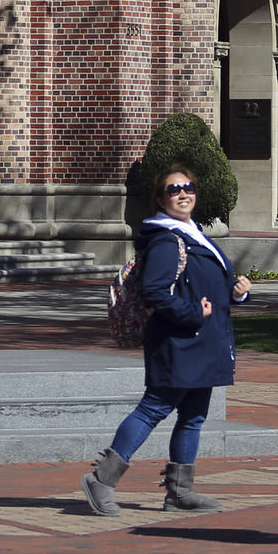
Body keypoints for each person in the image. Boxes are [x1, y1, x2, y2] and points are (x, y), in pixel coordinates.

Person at [82, 164, 252, 515]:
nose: (183, 194)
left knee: (193, 417)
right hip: (178, 340)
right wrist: (193, 313)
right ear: (160, 199)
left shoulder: (195, 234)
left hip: (205, 341)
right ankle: (101, 480)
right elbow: (155, 292)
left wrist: (237, 294)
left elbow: (209, 286)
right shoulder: (166, 239)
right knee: (153, 409)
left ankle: (179, 492)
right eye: (174, 190)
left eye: (188, 187)